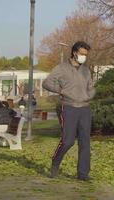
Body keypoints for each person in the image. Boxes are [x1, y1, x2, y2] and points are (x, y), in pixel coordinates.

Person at [42, 41, 95, 181]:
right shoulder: (61, 68)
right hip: (69, 107)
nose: (84, 57)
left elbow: (91, 86)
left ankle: (83, 174)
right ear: (74, 52)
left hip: (85, 108)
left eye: (86, 55)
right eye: (82, 54)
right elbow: (46, 83)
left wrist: (90, 95)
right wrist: (60, 91)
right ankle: (55, 162)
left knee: (85, 142)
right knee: (68, 141)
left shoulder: (86, 70)